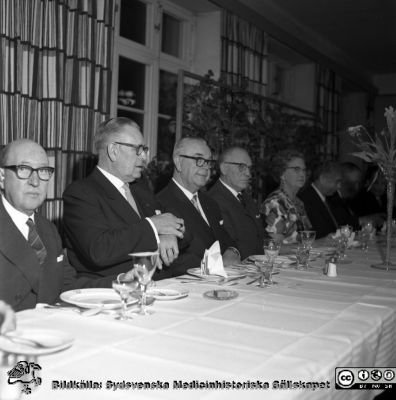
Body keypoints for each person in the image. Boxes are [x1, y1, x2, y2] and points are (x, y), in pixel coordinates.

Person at [0, 140, 137, 311]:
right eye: (24, 169)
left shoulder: (47, 229)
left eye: (43, 171)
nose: (35, 181)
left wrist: (120, 282)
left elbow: (67, 285)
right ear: (2, 177)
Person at [63, 118, 184, 279]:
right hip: (112, 292)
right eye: (138, 149)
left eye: (145, 149)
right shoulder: (81, 193)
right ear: (113, 151)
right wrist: (154, 227)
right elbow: (99, 250)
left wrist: (168, 234)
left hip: (154, 285)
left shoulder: (140, 188)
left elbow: (179, 226)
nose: (144, 157)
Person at [156, 137, 240, 277]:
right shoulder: (161, 204)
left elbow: (227, 241)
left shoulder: (210, 203)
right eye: (198, 160)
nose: (206, 167)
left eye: (208, 162)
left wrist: (233, 251)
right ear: (178, 162)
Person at [208, 147, 265, 259]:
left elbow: (260, 237)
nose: (248, 173)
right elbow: (230, 247)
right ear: (224, 168)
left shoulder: (244, 197)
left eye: (249, 168)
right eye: (241, 167)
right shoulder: (213, 200)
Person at [260, 149, 311, 243]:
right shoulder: (275, 203)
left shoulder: (299, 203)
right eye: (296, 169)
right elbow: (273, 247)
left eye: (304, 170)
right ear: (282, 174)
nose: (302, 174)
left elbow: (306, 241)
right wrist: (318, 244)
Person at [329, 162, 384, 230]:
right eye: (357, 182)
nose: (358, 187)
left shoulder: (345, 199)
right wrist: (364, 219)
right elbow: (341, 225)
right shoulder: (333, 199)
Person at [298, 161, 342, 238]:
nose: (339, 186)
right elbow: (313, 233)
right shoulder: (306, 199)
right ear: (322, 179)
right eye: (337, 181)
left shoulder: (331, 198)